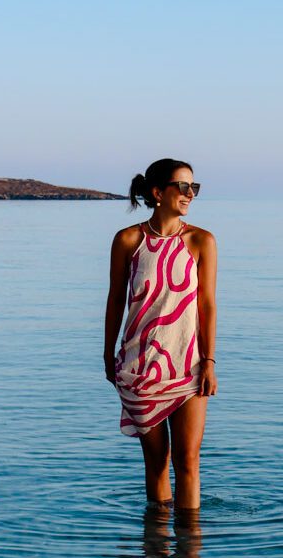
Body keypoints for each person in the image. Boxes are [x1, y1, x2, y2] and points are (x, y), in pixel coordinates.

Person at [104, 159, 217, 510]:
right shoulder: (128, 241)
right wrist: (108, 356)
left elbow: (207, 306)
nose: (190, 195)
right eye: (183, 188)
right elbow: (115, 301)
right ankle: (156, 557)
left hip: (189, 365)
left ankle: (189, 557)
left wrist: (209, 362)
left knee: (188, 462)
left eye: (193, 189)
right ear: (158, 193)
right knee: (156, 464)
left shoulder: (202, 241)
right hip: (140, 368)